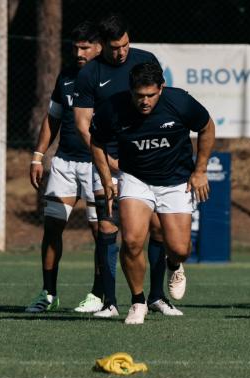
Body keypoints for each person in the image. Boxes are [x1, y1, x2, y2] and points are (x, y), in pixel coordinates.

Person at [73, 13, 184, 318]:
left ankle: (157, 296)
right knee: (108, 227)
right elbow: (84, 125)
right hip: (106, 159)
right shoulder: (90, 74)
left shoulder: (145, 60)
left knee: (159, 228)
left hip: (148, 160)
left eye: (124, 45)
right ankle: (110, 302)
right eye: (113, 47)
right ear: (101, 45)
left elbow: (160, 106)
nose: (121, 52)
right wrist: (108, 164)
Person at [89, 62, 214, 324]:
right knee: (133, 241)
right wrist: (106, 178)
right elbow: (96, 141)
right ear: (130, 90)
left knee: (180, 249)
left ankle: (174, 265)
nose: (144, 102)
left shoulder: (179, 101)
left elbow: (207, 126)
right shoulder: (113, 108)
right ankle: (137, 301)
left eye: (150, 95)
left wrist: (200, 170)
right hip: (136, 179)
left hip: (176, 181)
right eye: (139, 96)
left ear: (162, 88)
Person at [25, 22, 105, 314]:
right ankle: (48, 293)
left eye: (85, 47)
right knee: (52, 228)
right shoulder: (67, 77)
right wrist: (38, 155)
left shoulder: (109, 78)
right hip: (64, 163)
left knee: (102, 231)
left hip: (98, 166)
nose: (79, 52)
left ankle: (99, 293)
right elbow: (53, 118)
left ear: (100, 47)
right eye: (76, 47)